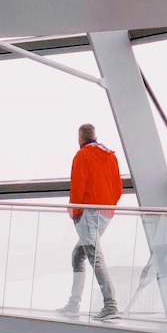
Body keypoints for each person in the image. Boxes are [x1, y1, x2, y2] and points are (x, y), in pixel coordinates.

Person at [58, 123, 122, 321]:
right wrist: (109, 206)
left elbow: (78, 185)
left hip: (87, 212)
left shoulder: (82, 155)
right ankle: (73, 304)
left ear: (80, 138)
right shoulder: (110, 155)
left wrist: (75, 212)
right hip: (106, 213)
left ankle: (110, 304)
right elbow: (118, 187)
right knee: (79, 254)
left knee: (95, 256)